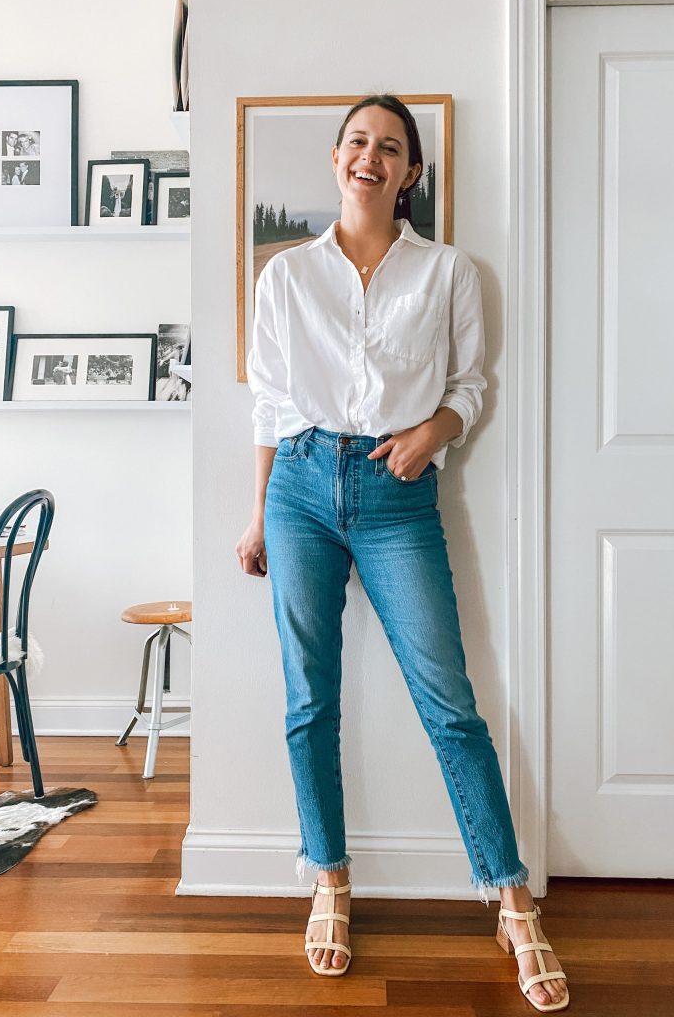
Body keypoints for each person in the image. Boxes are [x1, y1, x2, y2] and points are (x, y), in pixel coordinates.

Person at [238, 94, 569, 1011]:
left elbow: (470, 383)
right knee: (311, 698)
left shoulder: (447, 272)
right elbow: (268, 402)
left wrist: (433, 435)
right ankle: (329, 881)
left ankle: (509, 897)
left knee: (449, 702)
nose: (370, 158)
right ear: (334, 158)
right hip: (299, 487)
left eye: (390, 147)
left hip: (397, 495)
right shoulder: (287, 277)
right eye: (357, 143)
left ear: (411, 172)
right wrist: (261, 513)